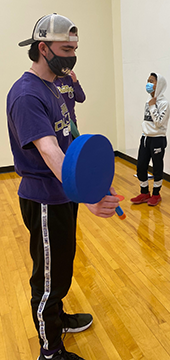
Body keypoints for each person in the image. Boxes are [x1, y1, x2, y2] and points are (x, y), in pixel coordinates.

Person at [6, 14, 119, 360]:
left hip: (63, 194)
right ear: (43, 48)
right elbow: (51, 151)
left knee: (62, 264)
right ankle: (50, 350)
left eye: (75, 48)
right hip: (44, 198)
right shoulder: (26, 95)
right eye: (66, 49)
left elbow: (69, 135)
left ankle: (59, 318)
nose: (72, 55)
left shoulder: (56, 84)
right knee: (48, 277)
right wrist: (85, 194)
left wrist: (91, 179)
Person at [130, 72, 170, 206]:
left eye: (152, 81)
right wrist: (151, 104)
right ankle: (144, 192)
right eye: (148, 81)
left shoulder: (164, 103)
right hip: (145, 138)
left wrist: (153, 105)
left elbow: (158, 122)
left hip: (158, 139)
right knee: (141, 165)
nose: (148, 84)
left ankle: (156, 194)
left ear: (159, 85)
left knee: (157, 167)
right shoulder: (148, 101)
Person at [54, 70, 85, 139]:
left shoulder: (70, 79)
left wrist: (75, 82)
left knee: (73, 147)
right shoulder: (51, 81)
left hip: (71, 123)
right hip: (58, 125)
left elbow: (81, 98)